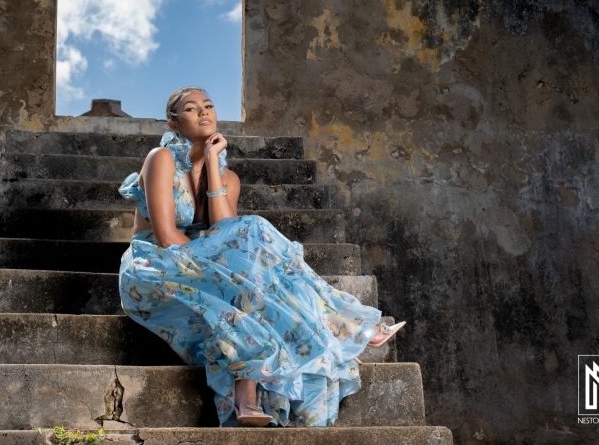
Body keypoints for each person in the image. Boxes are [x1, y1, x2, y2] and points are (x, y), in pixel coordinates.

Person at [118, 87, 405, 427]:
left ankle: (247, 397)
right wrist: (224, 267)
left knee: (258, 277)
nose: (203, 112)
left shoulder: (227, 178)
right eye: (191, 109)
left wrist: (212, 164)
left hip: (203, 265)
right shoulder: (160, 159)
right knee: (253, 243)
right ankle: (345, 322)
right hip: (157, 266)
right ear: (174, 123)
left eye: (208, 106)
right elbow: (167, 237)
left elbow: (227, 230)